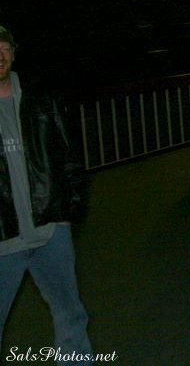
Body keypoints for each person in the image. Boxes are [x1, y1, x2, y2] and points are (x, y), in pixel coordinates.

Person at [0, 26, 94, 361]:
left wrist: (68, 211)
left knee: (70, 314)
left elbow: (70, 155)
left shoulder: (40, 98)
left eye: (4, 48)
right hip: (3, 242)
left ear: (14, 52)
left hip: (50, 232)